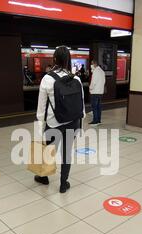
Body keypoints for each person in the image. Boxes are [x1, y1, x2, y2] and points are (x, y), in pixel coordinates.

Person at [34, 46, 86, 193]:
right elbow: (81, 104)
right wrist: (81, 122)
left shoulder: (47, 79)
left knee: (49, 151)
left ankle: (44, 177)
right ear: (68, 59)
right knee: (66, 152)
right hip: (73, 122)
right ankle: (64, 183)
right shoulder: (76, 79)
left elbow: (41, 107)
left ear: (55, 59)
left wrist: (39, 127)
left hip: (53, 123)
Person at [89, 60, 106, 125]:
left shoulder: (95, 71)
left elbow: (93, 82)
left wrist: (90, 88)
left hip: (95, 92)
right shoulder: (102, 71)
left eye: (92, 64)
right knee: (99, 107)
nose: (91, 65)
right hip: (100, 92)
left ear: (95, 64)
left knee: (94, 107)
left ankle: (95, 120)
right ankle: (98, 120)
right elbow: (104, 82)